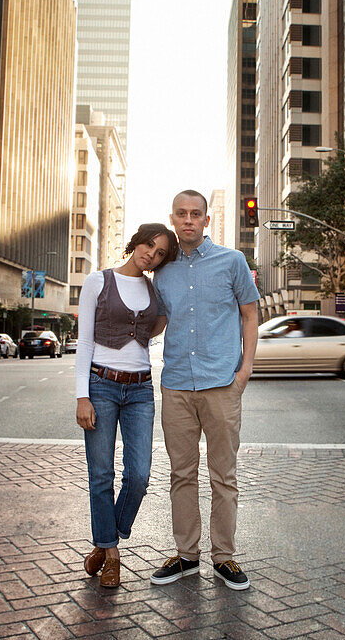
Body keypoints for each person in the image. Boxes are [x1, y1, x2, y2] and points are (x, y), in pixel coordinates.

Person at [150, 190, 260, 591]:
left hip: (221, 384)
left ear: (206, 220)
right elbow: (159, 320)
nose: (189, 220)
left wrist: (244, 370)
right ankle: (186, 555)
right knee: (181, 473)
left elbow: (251, 315)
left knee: (223, 476)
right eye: (181, 214)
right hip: (177, 383)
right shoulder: (162, 272)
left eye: (196, 214)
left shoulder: (232, 261)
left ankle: (224, 557)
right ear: (173, 218)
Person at [75, 223, 177, 588]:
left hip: (140, 390)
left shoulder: (155, 289)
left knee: (139, 475)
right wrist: (81, 395)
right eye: (149, 245)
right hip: (100, 384)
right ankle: (112, 555)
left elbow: (160, 322)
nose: (152, 253)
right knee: (101, 474)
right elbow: (84, 341)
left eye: (161, 252)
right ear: (136, 243)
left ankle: (106, 538)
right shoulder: (97, 281)